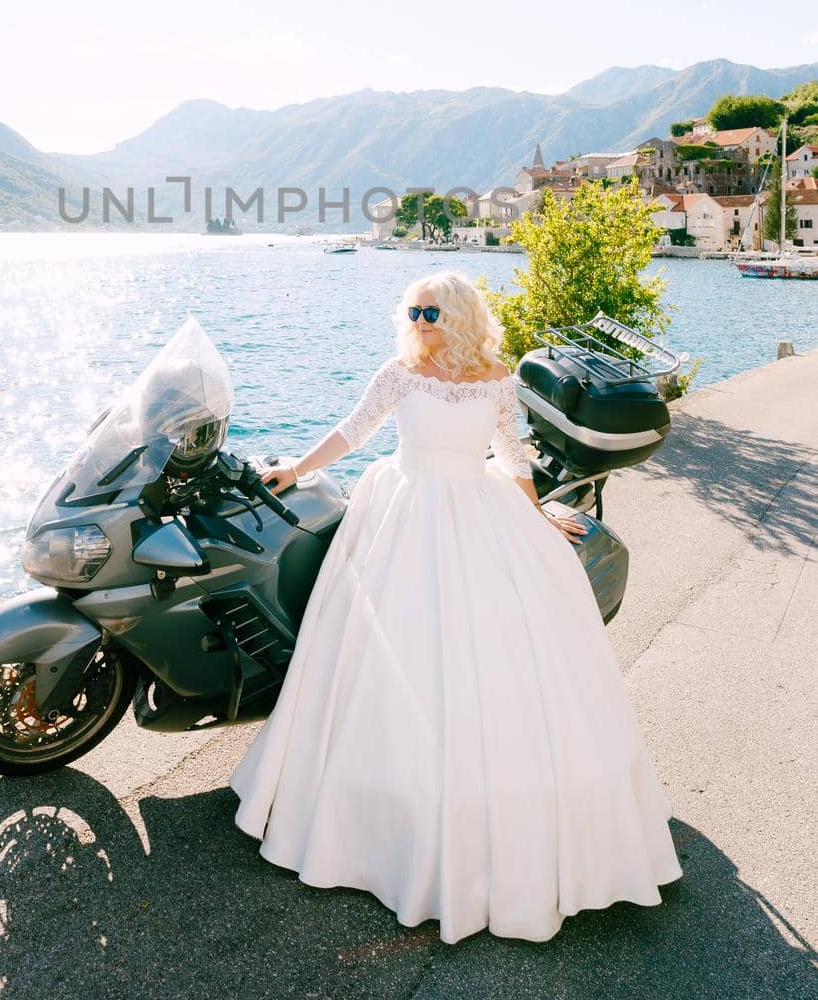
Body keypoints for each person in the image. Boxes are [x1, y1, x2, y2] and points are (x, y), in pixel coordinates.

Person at [228, 271, 683, 944]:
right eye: (410, 308)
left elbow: (511, 454)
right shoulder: (398, 372)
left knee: (491, 659)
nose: (417, 318)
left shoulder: (497, 378)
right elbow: (352, 431)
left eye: (430, 309)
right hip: (403, 513)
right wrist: (295, 469)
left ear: (460, 313)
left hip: (477, 510)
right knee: (390, 655)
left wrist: (537, 516)